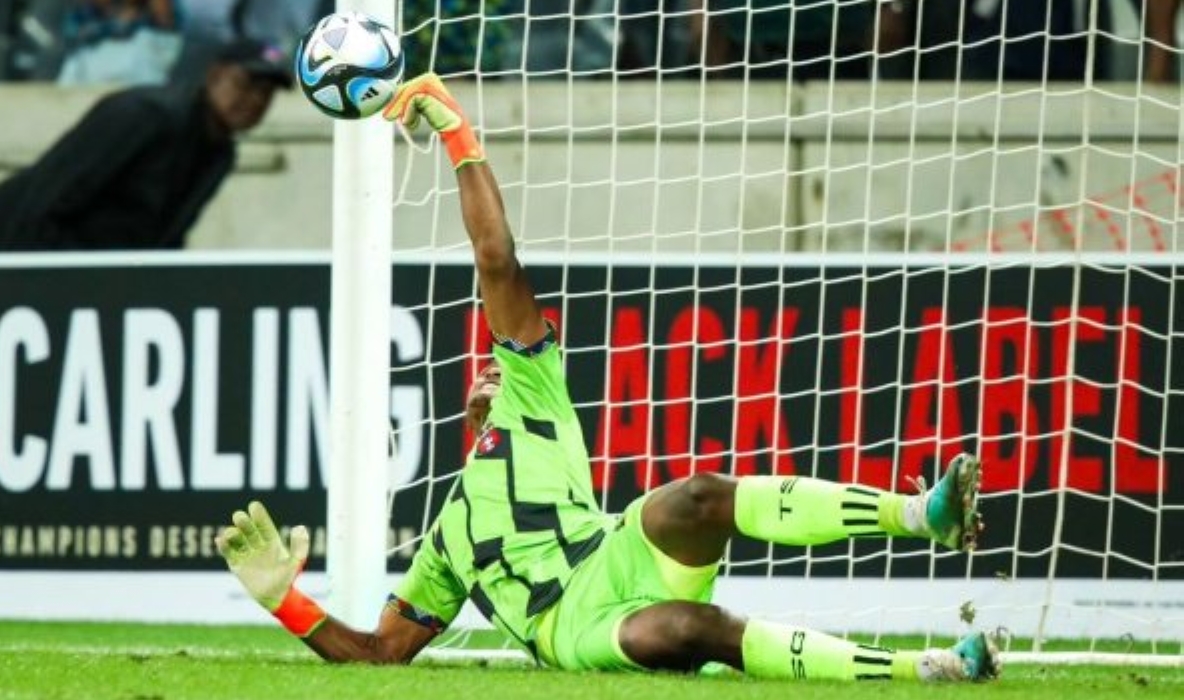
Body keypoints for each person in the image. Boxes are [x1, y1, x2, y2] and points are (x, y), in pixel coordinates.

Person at [215, 73, 1002, 683]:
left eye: (501, 365)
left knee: (697, 496)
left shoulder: (535, 398)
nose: (494, 371)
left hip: (614, 554)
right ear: (466, 417)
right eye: (482, 377)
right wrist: (284, 599)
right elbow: (383, 655)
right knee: (693, 632)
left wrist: (457, 133)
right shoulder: (448, 540)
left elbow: (496, 260)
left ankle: (921, 514)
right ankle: (922, 669)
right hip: (573, 630)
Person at [0, 37, 290, 251]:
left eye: (267, 94)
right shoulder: (144, 115)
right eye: (246, 84)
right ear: (214, 75)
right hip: (8, 249)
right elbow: (50, 198)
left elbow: (167, 238)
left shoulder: (219, 153)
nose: (255, 100)